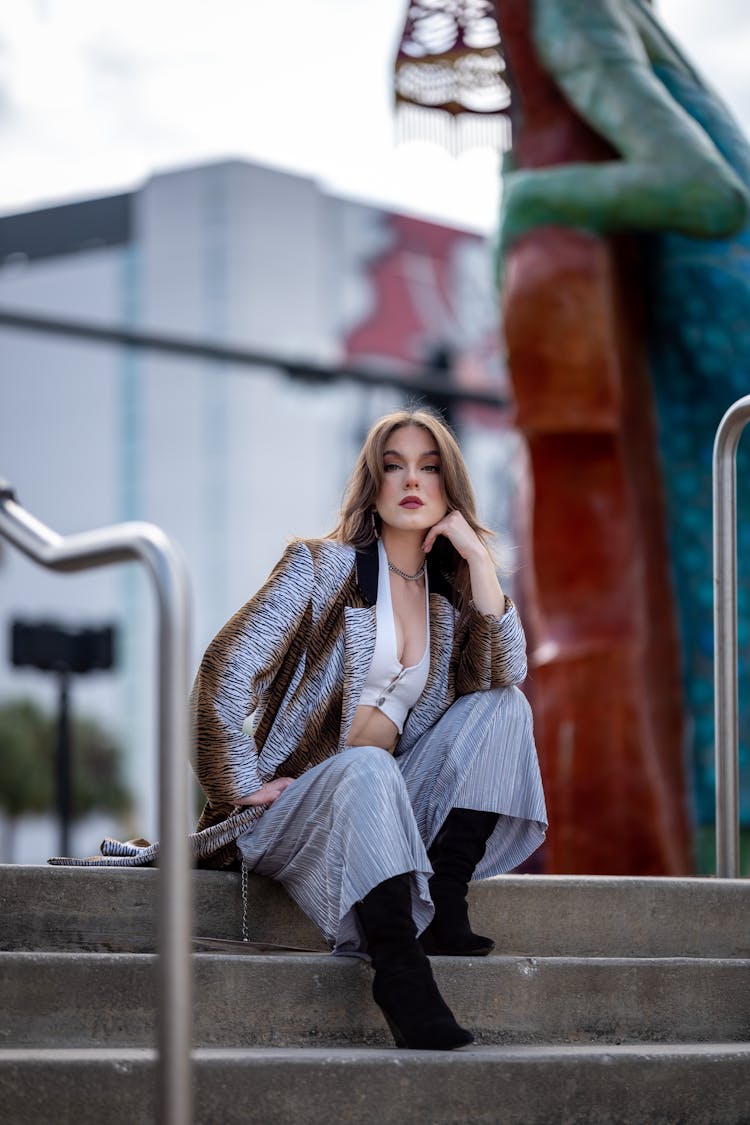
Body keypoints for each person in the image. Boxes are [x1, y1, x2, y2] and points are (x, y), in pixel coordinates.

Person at [191, 406, 547, 1050]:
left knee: (506, 706)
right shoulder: (321, 568)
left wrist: (479, 562)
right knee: (365, 764)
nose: (411, 480)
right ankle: (398, 970)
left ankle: (445, 896)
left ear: (449, 489)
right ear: (373, 485)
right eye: (394, 467)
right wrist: (240, 782)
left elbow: (505, 671)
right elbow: (227, 667)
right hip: (299, 807)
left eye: (429, 468)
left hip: (388, 808)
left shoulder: (449, 604)